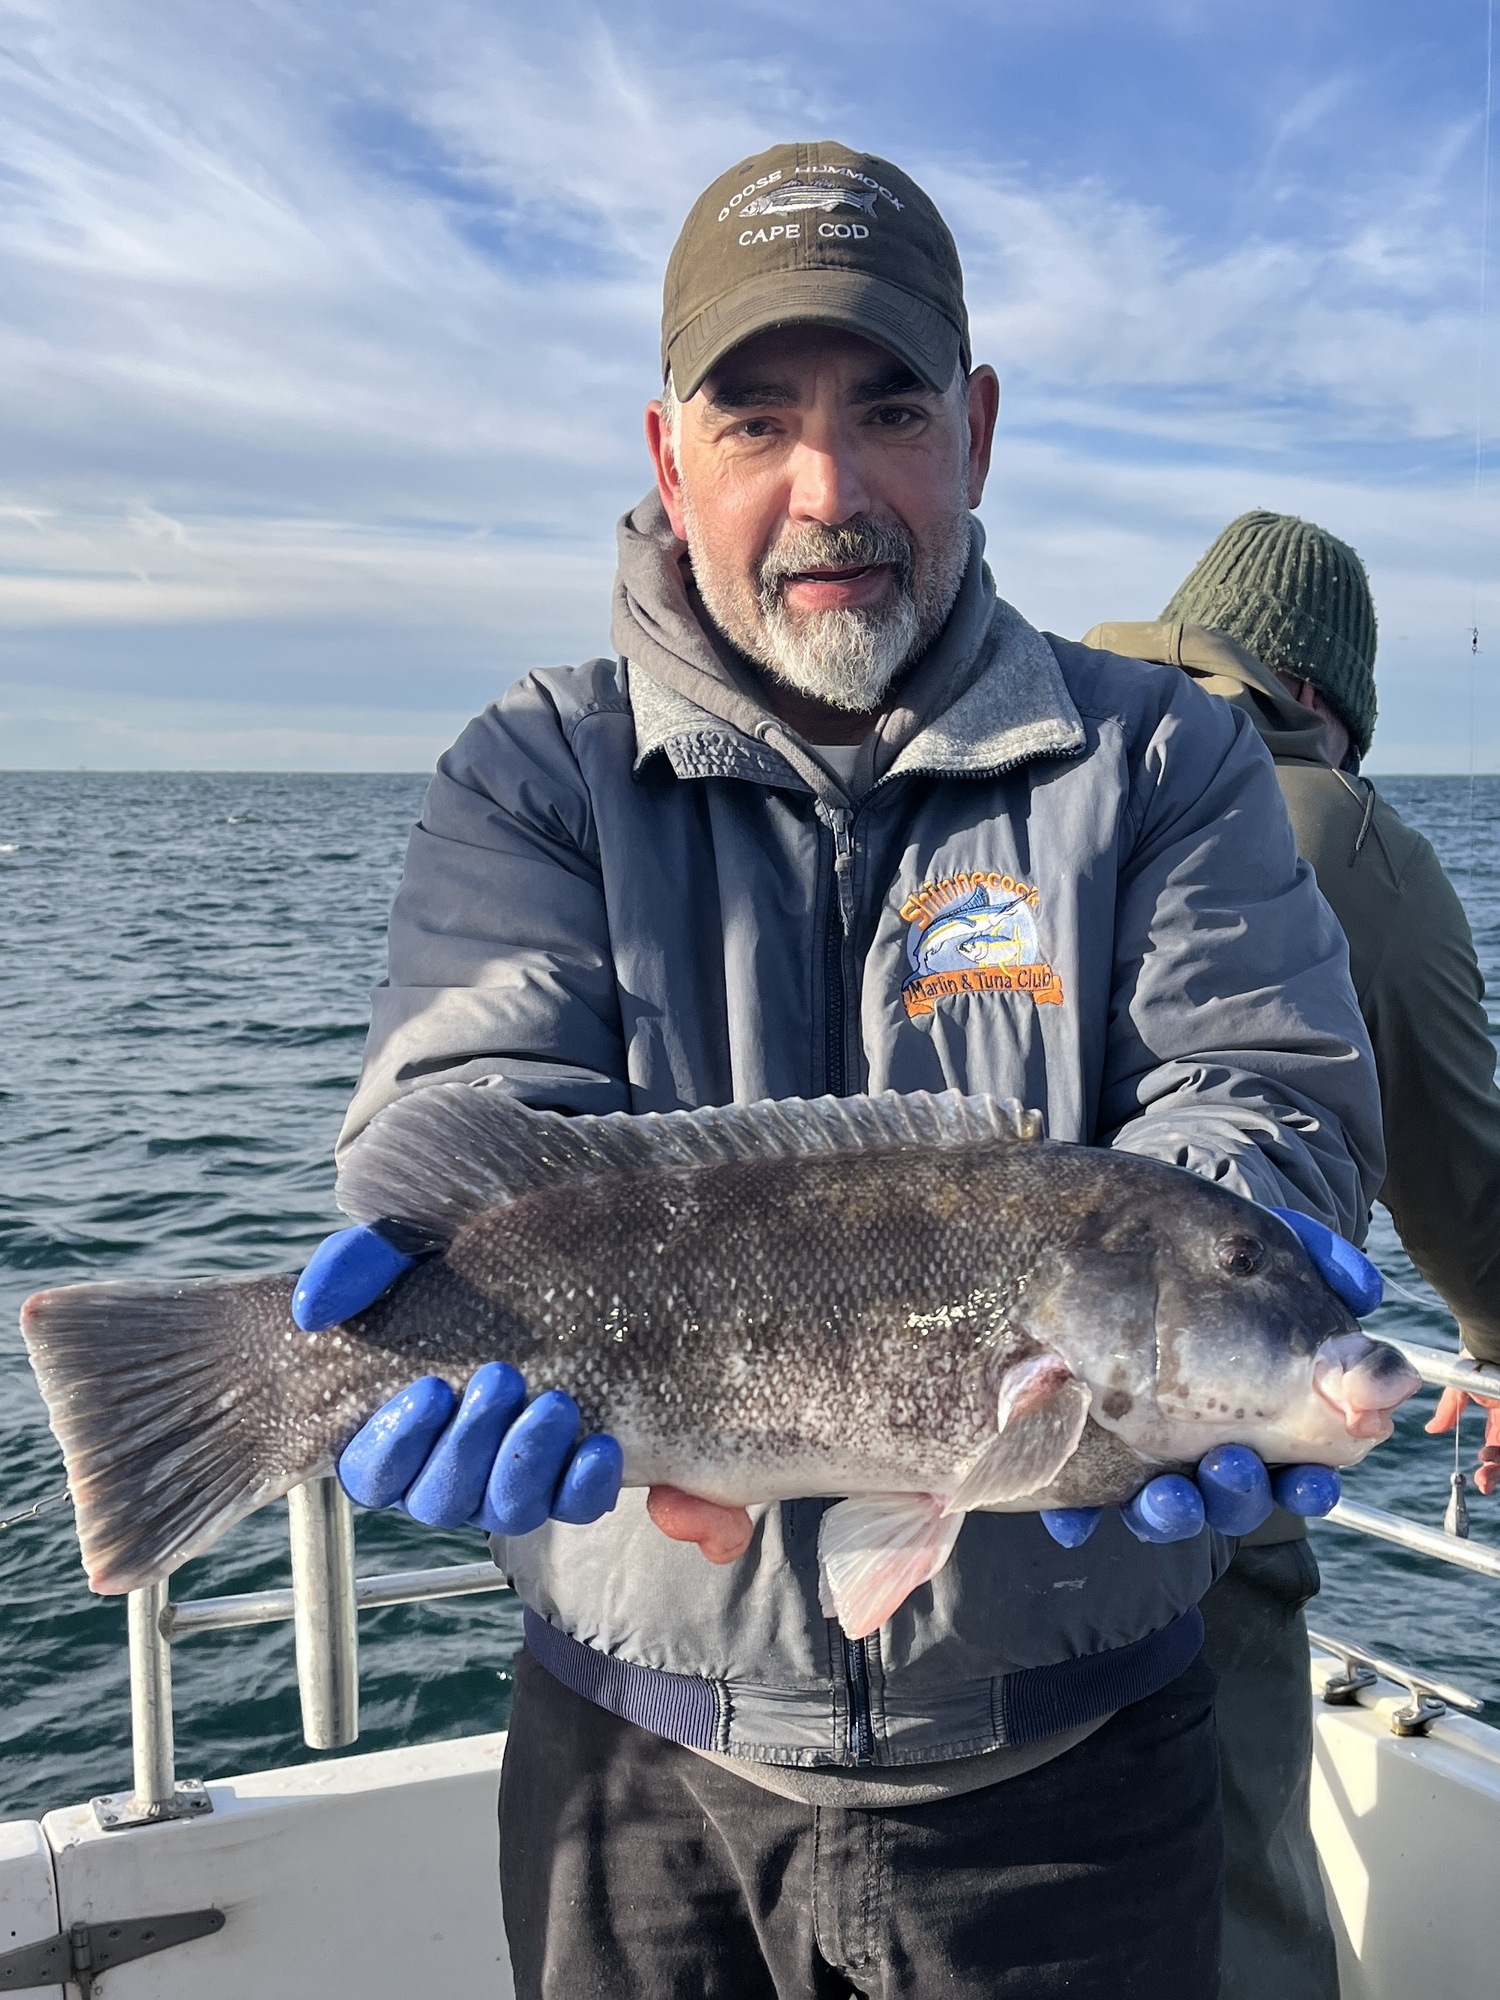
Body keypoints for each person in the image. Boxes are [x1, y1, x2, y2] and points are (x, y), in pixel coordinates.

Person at [303, 152, 1386, 1998]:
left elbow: (1255, 1088)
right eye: (757, 421)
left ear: (971, 431)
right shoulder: (534, 767)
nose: (831, 490)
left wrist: (1249, 1251)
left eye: (888, 409)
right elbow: (469, 1108)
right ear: (669, 457)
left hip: (1080, 1764)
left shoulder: (1166, 762)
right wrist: (413, 1300)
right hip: (635, 1762)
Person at [1084, 508, 1500, 2000]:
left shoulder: (1043, 749)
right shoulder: (1337, 832)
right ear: (1328, 703)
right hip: (1178, 1489)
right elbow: (1466, 1180)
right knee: (1229, 1902)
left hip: (919, 1447)